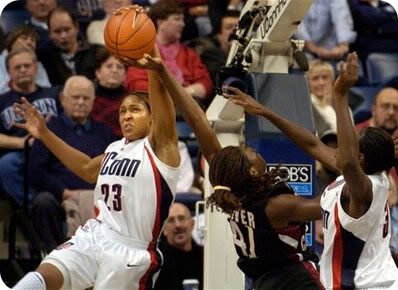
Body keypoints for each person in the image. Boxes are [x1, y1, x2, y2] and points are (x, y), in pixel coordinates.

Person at [122, 35, 325, 289]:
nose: (250, 148)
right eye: (247, 151)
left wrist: (163, 71)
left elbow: (196, 120)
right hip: (295, 281)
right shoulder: (279, 206)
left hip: (262, 283)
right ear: (251, 170)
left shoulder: (234, 194)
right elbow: (331, 205)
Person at [10, 19, 180, 289]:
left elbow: (163, 103)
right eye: (123, 110)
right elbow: (88, 169)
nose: (126, 116)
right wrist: (44, 133)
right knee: (42, 276)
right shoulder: (115, 147)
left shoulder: (161, 148)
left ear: (152, 119)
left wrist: (151, 57)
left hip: (130, 253)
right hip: (95, 234)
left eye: (135, 110)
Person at [223, 53, 398, 289]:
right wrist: (264, 111)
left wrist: (339, 95)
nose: (345, 146)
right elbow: (312, 144)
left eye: (354, 142)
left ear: (360, 159)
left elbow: (346, 162)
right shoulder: (356, 177)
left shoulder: (366, 190)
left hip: (371, 284)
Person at [28, 75, 115, 252]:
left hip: (99, 198)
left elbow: (113, 170)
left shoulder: (105, 132)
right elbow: (36, 172)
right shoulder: (48, 130)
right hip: (60, 197)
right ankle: (53, 257)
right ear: (62, 99)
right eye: (75, 97)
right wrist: (64, 192)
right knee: (43, 201)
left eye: (86, 98)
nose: (81, 102)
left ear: (93, 101)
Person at [0, 47, 61, 207]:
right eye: (17, 67)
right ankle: (36, 208)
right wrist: (22, 143)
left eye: (27, 66)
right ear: (9, 72)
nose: (22, 70)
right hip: (22, 153)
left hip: (55, 151)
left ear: (36, 67)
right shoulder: (2, 101)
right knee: (6, 164)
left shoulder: (55, 93)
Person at [124, 0, 213, 108]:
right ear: (160, 22)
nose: (182, 24)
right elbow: (137, 85)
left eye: (182, 20)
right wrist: (179, 94)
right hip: (155, 111)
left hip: (189, 110)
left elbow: (206, 84)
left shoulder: (189, 53)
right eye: (177, 19)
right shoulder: (143, 52)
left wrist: (185, 92)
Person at [38, 7, 100, 86]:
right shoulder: (45, 57)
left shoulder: (96, 52)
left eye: (67, 30)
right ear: (50, 34)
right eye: (57, 32)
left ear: (76, 28)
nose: (63, 36)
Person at [153, 202, 203, 290]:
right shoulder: (157, 262)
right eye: (171, 220)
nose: (177, 225)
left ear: (192, 224)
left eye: (182, 218)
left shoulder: (205, 257)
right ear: (164, 230)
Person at [0, 25, 51, 94]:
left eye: (33, 40)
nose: (29, 42)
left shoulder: (37, 64)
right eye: (24, 38)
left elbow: (46, 90)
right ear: (12, 42)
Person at [92, 46, 127, 138]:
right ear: (98, 72)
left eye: (119, 67)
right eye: (109, 66)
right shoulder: (89, 99)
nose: (114, 70)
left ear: (125, 75)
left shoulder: (131, 101)